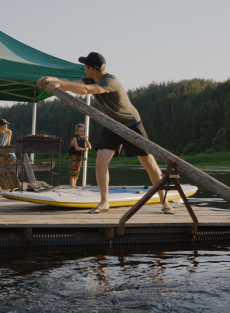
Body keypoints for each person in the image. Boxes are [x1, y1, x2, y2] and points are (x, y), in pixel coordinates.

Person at [38, 52, 173, 214]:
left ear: (91, 69)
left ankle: (165, 202)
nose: (84, 70)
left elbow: (86, 90)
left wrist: (59, 84)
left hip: (131, 123)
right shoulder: (90, 78)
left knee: (149, 163)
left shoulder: (110, 81)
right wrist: (49, 79)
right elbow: (69, 82)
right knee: (101, 159)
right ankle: (104, 202)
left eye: (85, 67)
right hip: (111, 124)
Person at [67, 123, 90, 187]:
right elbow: (76, 148)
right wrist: (85, 149)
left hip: (79, 157)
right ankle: (72, 186)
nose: (82, 132)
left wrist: (86, 140)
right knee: (72, 173)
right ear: (77, 131)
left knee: (76, 173)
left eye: (83, 131)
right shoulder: (75, 137)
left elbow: (89, 147)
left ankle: (75, 186)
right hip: (74, 156)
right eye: (80, 131)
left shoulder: (83, 139)